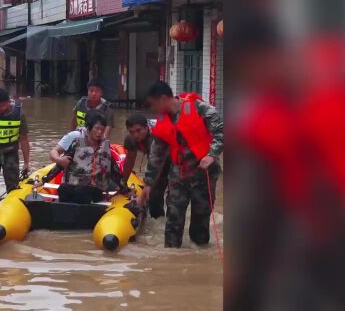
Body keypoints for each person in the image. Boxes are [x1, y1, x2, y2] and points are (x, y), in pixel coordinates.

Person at [138, 81, 223, 248]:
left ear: (163, 99)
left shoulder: (199, 108)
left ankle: (198, 261)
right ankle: (171, 262)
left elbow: (222, 131)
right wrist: (148, 184)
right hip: (179, 177)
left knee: (200, 225)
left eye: (153, 104)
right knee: (172, 224)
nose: (153, 109)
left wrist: (212, 155)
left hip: (203, 174)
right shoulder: (162, 120)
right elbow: (156, 154)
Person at [51, 111, 123, 204]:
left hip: (96, 188)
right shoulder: (78, 144)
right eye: (97, 128)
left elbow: (114, 170)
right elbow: (60, 165)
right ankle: (63, 212)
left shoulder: (104, 148)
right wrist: (44, 179)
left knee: (82, 191)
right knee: (63, 188)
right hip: (77, 184)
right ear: (89, 128)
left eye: (102, 129)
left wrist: (124, 188)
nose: (99, 132)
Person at [122, 113, 169, 218]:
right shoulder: (130, 139)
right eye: (132, 132)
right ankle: (157, 221)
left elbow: (155, 166)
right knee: (153, 199)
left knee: (173, 200)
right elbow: (129, 160)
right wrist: (123, 183)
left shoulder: (157, 136)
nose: (136, 135)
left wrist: (141, 199)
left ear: (146, 127)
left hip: (173, 160)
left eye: (138, 130)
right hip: (155, 162)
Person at [0, 88, 30, 198]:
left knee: (13, 188)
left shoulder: (18, 113)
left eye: (2, 105)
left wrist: (26, 163)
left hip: (10, 153)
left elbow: (24, 138)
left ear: (8, 102)